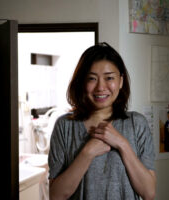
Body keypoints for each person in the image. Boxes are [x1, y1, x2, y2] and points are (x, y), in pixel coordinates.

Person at [48, 42, 156, 200]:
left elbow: (149, 192)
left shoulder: (137, 123)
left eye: (109, 78)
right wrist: (87, 152)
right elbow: (55, 196)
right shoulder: (65, 126)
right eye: (92, 78)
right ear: (82, 82)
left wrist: (122, 144)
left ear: (120, 81)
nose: (100, 87)